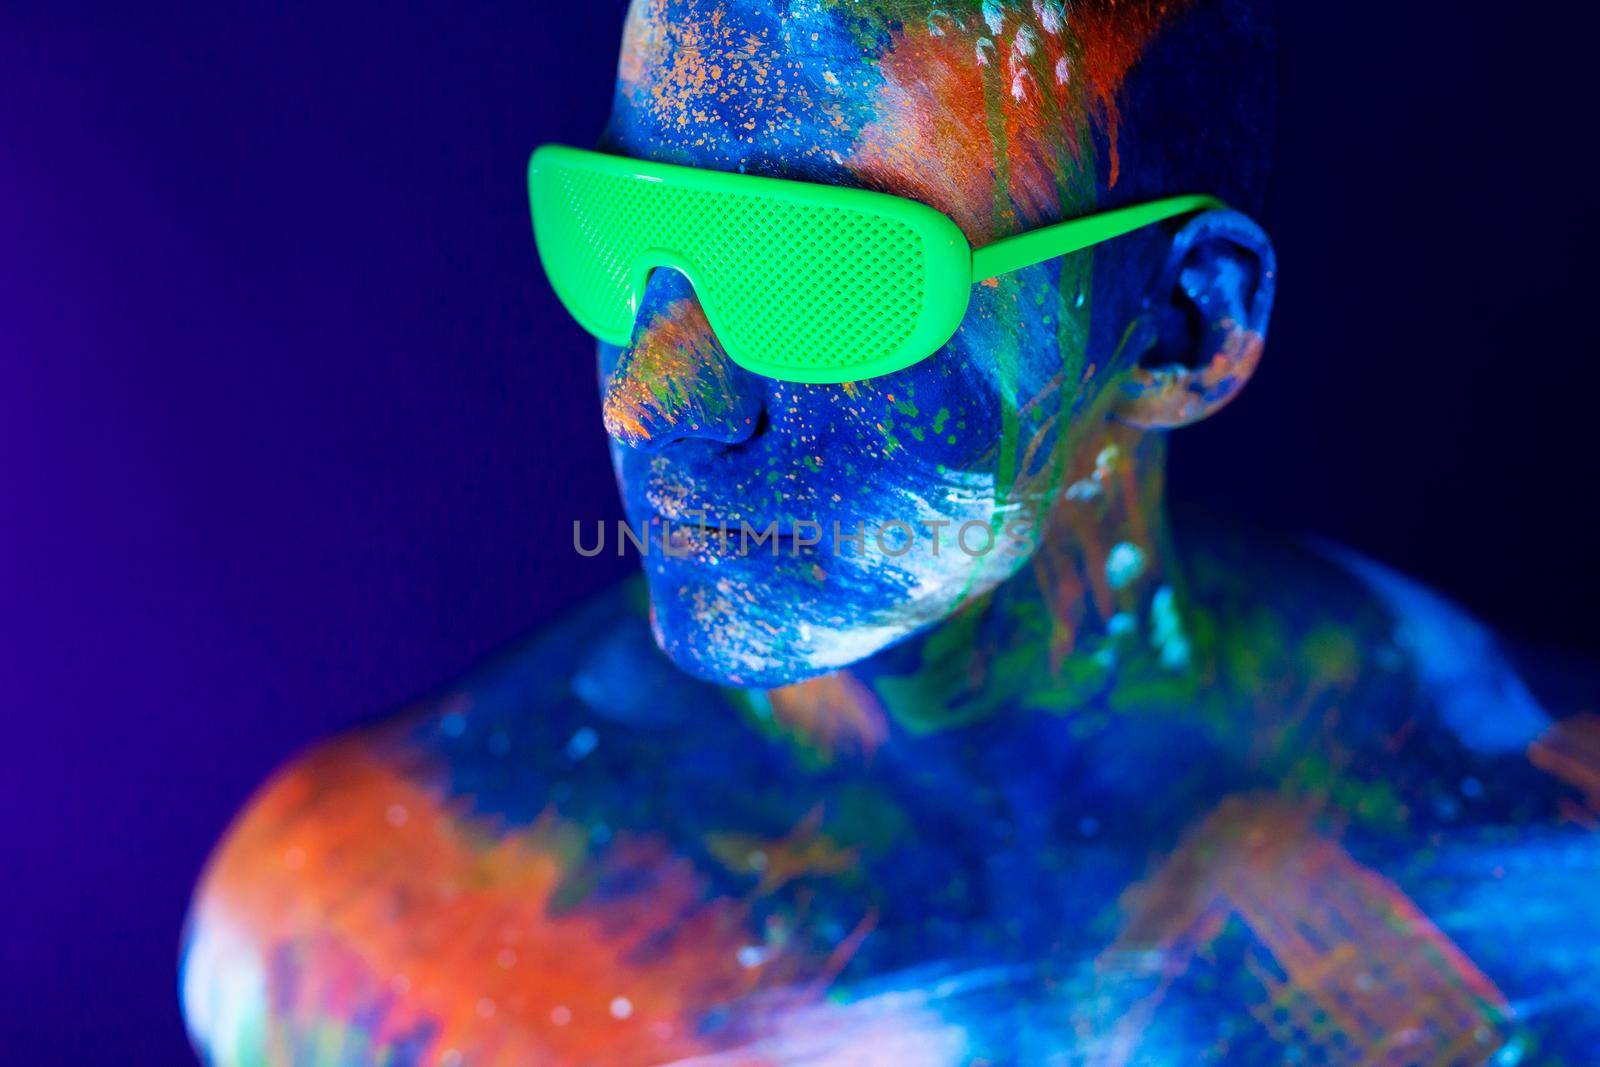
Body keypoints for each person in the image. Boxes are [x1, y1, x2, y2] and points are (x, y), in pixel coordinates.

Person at [180, 1, 1599, 1063]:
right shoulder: (367, 930)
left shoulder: (1551, 887)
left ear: (1182, 327)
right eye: (618, 229)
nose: (644, 397)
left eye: (820, 277)